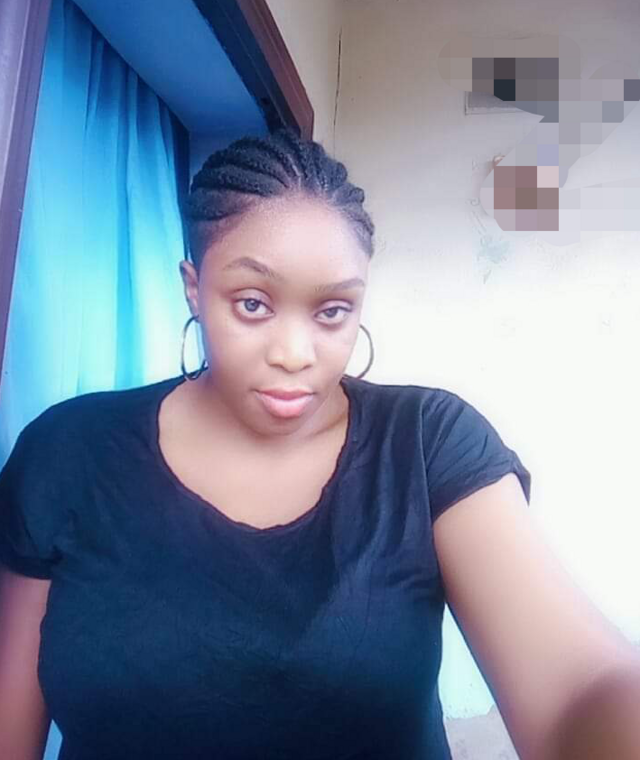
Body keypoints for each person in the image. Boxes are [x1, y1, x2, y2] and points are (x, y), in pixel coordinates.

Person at [0, 128, 638, 760]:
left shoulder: (428, 445)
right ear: (193, 286)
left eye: (332, 311)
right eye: (253, 304)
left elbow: (580, 689)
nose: (294, 354)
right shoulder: (68, 452)